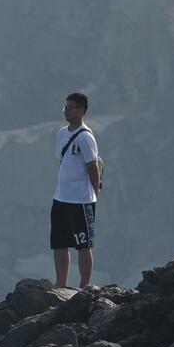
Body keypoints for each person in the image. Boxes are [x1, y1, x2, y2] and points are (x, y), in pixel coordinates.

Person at [50, 92, 102, 288]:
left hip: (80, 200)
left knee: (83, 244)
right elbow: (63, 160)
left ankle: (84, 286)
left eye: (70, 108)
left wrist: (95, 191)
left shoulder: (86, 137)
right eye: (65, 107)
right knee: (59, 243)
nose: (66, 111)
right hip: (61, 198)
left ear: (81, 110)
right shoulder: (62, 133)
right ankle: (60, 284)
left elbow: (92, 165)